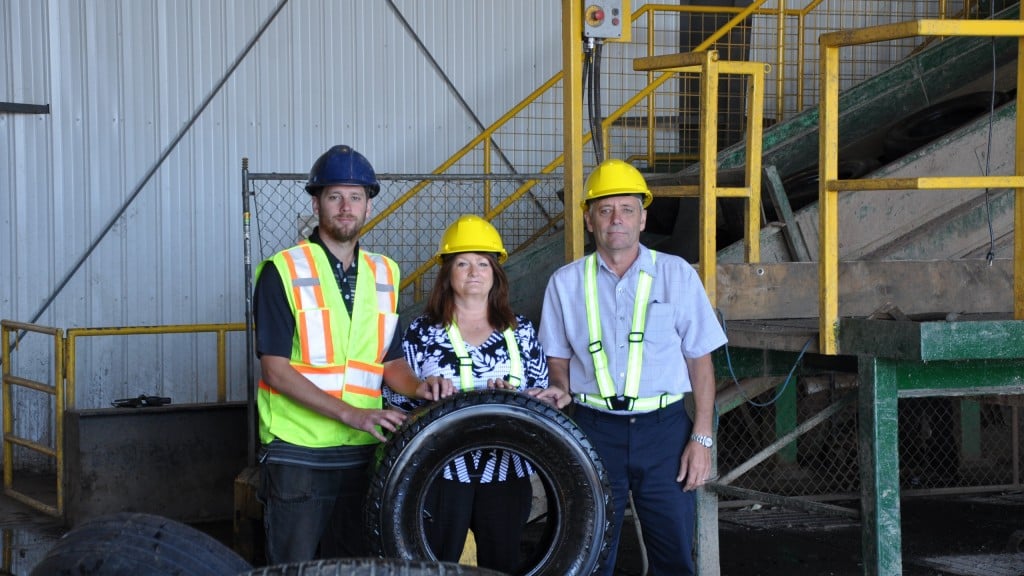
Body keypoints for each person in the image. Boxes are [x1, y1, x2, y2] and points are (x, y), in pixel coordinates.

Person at [252, 144, 454, 565]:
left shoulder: (386, 272)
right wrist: (352, 414)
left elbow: (388, 361)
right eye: (335, 197)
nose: (346, 207)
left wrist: (420, 386)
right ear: (316, 202)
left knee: (356, 566)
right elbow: (275, 370)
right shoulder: (281, 270)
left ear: (368, 206)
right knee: (294, 568)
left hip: (363, 453)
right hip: (299, 454)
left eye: (356, 197)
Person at [538, 159, 727, 576]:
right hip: (592, 428)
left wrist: (702, 437)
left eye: (626, 209)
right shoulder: (565, 283)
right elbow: (557, 360)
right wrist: (560, 387)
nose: (616, 219)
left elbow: (700, 361)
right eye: (605, 210)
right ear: (589, 220)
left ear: (643, 218)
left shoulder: (676, 275)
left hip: (665, 435)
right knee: (588, 553)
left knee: (674, 553)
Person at [384, 214, 568, 573]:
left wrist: (517, 396)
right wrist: (425, 391)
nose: (473, 272)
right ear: (447, 273)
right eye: (462, 263)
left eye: (483, 263)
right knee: (436, 565)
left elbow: (541, 396)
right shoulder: (424, 331)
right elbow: (395, 398)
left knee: (501, 566)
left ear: (495, 274)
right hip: (441, 474)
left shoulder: (521, 331)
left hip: (506, 474)